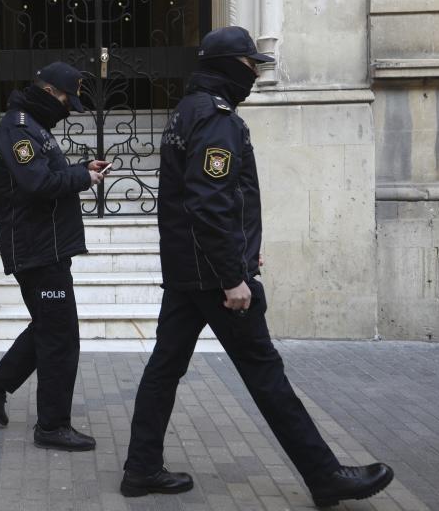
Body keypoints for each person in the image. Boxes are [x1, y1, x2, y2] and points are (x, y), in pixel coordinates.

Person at [120, 27, 394, 507]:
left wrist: (242, 250)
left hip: (189, 270)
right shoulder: (216, 118)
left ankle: (141, 469)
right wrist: (233, 274)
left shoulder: (187, 111)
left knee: (164, 368)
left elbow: (199, 200)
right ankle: (324, 474)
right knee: (265, 374)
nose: (254, 75)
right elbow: (209, 203)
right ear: (230, 66)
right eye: (251, 66)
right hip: (212, 276)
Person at [0, 61, 109, 452]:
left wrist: (81, 168)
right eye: (66, 99)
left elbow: (44, 174)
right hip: (36, 249)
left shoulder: (33, 125)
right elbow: (36, 183)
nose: (67, 108)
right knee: (60, 336)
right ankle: (51, 426)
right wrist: (84, 178)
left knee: (52, 327)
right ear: (49, 92)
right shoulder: (17, 128)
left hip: (47, 246)